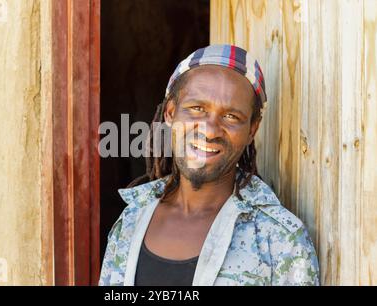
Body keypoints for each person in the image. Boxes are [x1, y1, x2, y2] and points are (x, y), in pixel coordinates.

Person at [99, 44, 320, 286]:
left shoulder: (279, 239)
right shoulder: (132, 217)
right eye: (197, 109)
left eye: (231, 117)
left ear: (251, 130)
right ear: (171, 113)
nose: (210, 130)